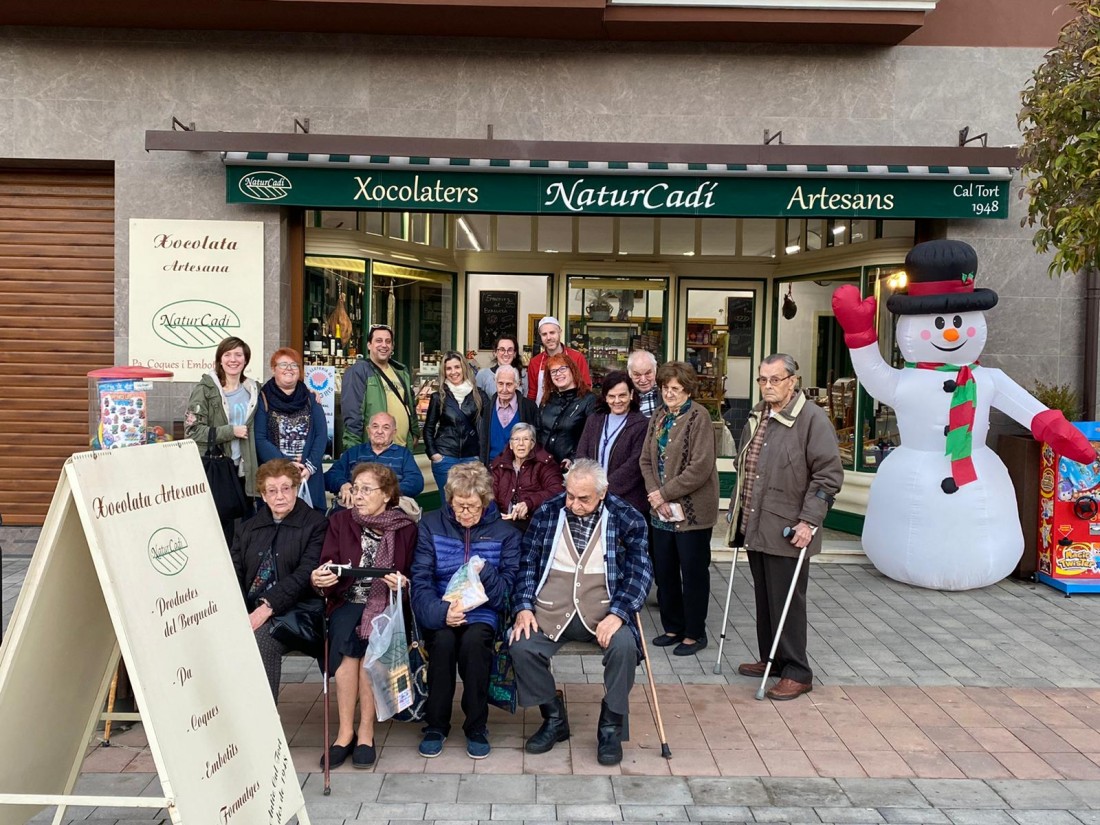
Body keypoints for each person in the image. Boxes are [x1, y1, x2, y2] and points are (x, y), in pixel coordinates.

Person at [509, 460, 652, 766]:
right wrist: (523, 606)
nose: (574, 505)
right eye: (570, 495)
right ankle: (553, 718)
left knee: (625, 647)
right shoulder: (548, 512)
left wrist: (619, 613)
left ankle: (611, 726)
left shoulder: (627, 517)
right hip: (550, 611)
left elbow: (640, 573)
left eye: (583, 499)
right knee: (520, 646)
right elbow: (527, 564)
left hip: (604, 613)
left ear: (603, 492)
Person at [725, 353, 843, 701]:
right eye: (762, 379)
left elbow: (828, 475)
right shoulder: (759, 414)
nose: (767, 386)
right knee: (765, 598)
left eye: (774, 379)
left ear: (793, 381)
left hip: (789, 527)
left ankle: (797, 671)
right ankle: (772, 659)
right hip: (755, 522)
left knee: (787, 600)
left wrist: (809, 521)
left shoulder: (812, 418)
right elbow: (746, 467)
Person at [310, 463, 417, 768]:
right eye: (356, 488)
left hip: (388, 604)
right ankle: (345, 733)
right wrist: (321, 578)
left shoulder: (405, 527)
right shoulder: (340, 521)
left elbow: (414, 573)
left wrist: (403, 584)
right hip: (347, 599)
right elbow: (326, 565)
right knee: (347, 654)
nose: (358, 495)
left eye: (366, 490)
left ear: (387, 495)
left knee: (371, 652)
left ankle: (366, 732)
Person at [411, 462, 520, 759]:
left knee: (474, 644)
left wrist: (486, 573)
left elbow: (506, 595)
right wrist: (441, 612)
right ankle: (436, 725)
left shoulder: (505, 533)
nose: (465, 513)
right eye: (459, 506)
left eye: (472, 506)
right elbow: (420, 580)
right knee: (443, 642)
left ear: (485, 501)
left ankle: (476, 726)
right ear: (449, 500)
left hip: (483, 612)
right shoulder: (431, 525)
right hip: (441, 606)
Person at [639, 361, 719, 657]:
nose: (669, 393)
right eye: (665, 387)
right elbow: (645, 460)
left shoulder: (699, 417)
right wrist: (655, 496)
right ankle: (672, 627)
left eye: (675, 388)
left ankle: (694, 633)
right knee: (665, 570)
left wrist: (664, 494)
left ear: (688, 390)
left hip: (692, 511)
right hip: (660, 511)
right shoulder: (659, 416)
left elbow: (700, 467)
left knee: (693, 572)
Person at [230, 459, 327, 699]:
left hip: (299, 614)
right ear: (263, 496)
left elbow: (305, 574)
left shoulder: (316, 524)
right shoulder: (248, 528)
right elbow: (234, 573)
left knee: (261, 639)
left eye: (286, 488)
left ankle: (263, 718)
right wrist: (235, 613)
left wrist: (266, 608)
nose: (280, 496)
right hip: (252, 611)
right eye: (272, 491)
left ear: (296, 489)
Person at [185, 335, 259, 543]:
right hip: (217, 469)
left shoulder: (253, 389)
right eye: (227, 355)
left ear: (246, 360)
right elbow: (192, 430)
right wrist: (230, 431)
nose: (233, 359)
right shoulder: (205, 390)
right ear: (219, 359)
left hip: (243, 470)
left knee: (244, 530)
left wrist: (310, 395)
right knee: (219, 529)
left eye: (238, 355)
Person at [255, 348, 327, 512]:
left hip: (307, 475)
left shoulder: (310, 398)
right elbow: (260, 438)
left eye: (294, 365)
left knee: (309, 522)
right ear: (273, 369)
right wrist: (286, 464)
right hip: (275, 474)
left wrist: (309, 467)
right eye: (283, 364)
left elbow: (321, 435)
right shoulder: (263, 398)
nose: (289, 369)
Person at [576, 370, 649, 517]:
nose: (617, 401)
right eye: (611, 396)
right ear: (605, 397)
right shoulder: (594, 420)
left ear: (631, 394)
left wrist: (603, 489)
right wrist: (590, 487)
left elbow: (634, 464)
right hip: (592, 498)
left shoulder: (642, 424)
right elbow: (581, 454)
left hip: (626, 502)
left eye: (622, 395)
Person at [341, 323, 419, 449]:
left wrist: (414, 432)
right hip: (375, 450)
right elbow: (353, 415)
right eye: (378, 341)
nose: (384, 345)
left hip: (402, 449)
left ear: (392, 346)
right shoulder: (359, 371)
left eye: (388, 341)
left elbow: (410, 405)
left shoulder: (400, 372)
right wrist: (353, 450)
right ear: (369, 345)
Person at [325, 412, 424, 508]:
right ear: (368, 431)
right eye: (375, 426)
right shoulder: (354, 452)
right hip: (354, 506)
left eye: (386, 428)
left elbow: (416, 482)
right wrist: (342, 484)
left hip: (389, 507)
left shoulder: (403, 454)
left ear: (394, 432)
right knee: (337, 517)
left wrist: (386, 491)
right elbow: (329, 476)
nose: (379, 431)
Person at [424, 351, 490, 492]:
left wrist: (482, 456)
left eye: (457, 367)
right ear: (444, 372)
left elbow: (489, 426)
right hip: (445, 457)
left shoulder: (479, 395)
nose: (453, 372)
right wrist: (434, 454)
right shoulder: (438, 397)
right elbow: (429, 428)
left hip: (472, 458)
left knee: (471, 500)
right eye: (449, 368)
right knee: (448, 502)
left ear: (464, 368)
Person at [490, 422, 564, 534]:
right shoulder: (500, 464)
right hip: (501, 519)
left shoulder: (544, 463)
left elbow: (558, 490)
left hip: (532, 521)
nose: (521, 444)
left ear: (532, 444)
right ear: (510, 445)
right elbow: (489, 494)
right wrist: (496, 515)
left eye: (526, 439)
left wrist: (529, 503)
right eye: (516, 439)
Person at [537, 353, 597, 468]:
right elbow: (538, 431)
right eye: (553, 371)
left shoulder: (588, 400)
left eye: (562, 369)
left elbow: (591, 436)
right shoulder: (547, 399)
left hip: (572, 468)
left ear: (572, 370)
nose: (558, 374)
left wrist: (573, 458)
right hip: (544, 466)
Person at [480, 365, 539, 462]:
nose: (504, 389)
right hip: (492, 465)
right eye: (500, 384)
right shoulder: (488, 408)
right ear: (495, 383)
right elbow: (483, 442)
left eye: (509, 384)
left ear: (517, 384)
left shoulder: (529, 407)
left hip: (520, 466)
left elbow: (536, 440)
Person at [526, 315, 591, 404]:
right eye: (544, 334)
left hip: (573, 410)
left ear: (560, 332)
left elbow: (586, 388)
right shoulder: (535, 362)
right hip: (543, 410)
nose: (548, 338)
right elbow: (532, 394)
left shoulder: (577, 357)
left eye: (552, 333)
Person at [628, 350, 660, 419]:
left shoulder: (666, 393)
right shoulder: (625, 396)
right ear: (630, 374)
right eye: (637, 375)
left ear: (655, 371)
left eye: (648, 373)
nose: (643, 380)